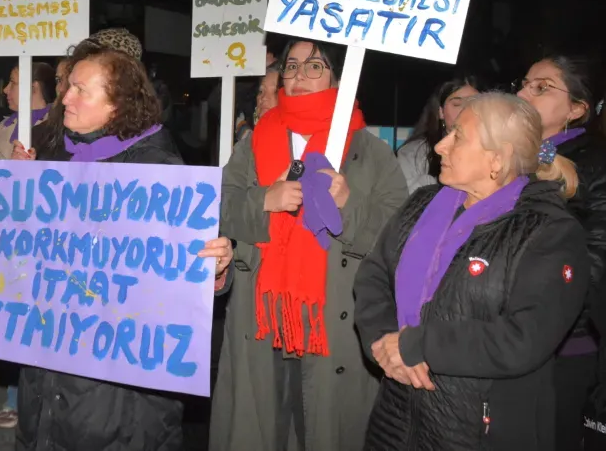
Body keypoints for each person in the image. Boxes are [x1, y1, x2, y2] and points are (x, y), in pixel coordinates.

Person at [0, 46, 232, 450]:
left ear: (118, 103)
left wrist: (214, 270)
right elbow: (34, 264)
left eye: (81, 89)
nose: (66, 98)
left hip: (119, 404)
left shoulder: (158, 173)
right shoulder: (57, 158)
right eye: (67, 87)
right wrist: (5, 225)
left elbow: (177, 282)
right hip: (48, 379)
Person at [354, 92, 590, 450]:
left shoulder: (548, 232)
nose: (440, 146)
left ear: (497, 159)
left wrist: (418, 344)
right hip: (396, 419)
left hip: (479, 432)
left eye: (458, 137)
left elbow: (525, 338)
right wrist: (384, 344)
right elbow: (374, 276)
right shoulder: (421, 206)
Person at [210, 38, 408, 451]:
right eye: (291, 66)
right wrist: (264, 200)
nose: (299, 75)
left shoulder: (371, 151)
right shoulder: (254, 141)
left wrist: (348, 204)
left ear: (338, 77)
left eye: (314, 66)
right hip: (261, 321)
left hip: (332, 327)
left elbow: (397, 239)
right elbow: (217, 207)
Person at [515, 54, 606, 449]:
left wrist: (551, 316)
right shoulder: (514, 157)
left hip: (563, 343)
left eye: (541, 87)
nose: (523, 93)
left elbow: (596, 256)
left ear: (576, 109)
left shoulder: (595, 162)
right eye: (523, 84)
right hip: (508, 337)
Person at [397, 75, 481, 193]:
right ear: (441, 112)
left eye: (474, 103)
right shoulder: (414, 154)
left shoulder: (494, 150)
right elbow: (403, 199)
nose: (466, 110)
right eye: (457, 104)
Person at [0, 62, 56, 160]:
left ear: (33, 87)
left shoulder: (57, 126)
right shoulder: (3, 126)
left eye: (13, 83)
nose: (5, 90)